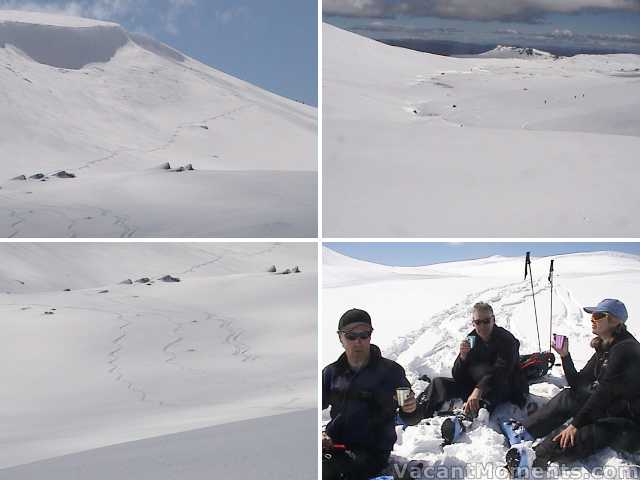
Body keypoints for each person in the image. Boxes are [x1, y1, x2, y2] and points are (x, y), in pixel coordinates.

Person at [507, 298, 640, 473]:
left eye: (598, 316)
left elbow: (604, 393)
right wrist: (565, 356)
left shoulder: (625, 350)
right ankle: (526, 431)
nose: (592, 319)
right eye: (592, 316)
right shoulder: (606, 347)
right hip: (612, 407)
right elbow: (579, 384)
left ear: (614, 321)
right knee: (571, 395)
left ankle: (535, 457)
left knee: (589, 429)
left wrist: (576, 424)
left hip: (630, 424)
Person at [322, 308, 417, 480]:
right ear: (340, 337)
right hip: (333, 444)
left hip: (371, 451)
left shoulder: (391, 372)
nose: (358, 342)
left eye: (364, 335)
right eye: (351, 336)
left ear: (370, 336)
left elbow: (412, 418)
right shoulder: (331, 373)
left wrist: (410, 408)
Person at [405, 302, 528, 425]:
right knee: (438, 383)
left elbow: (500, 372)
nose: (482, 326)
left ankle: (462, 422)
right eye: (478, 322)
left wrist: (478, 390)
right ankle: (415, 413)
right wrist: (462, 358)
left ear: (493, 320)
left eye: (486, 321)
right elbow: (458, 376)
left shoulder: (507, 340)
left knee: (491, 392)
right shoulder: (472, 339)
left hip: (505, 386)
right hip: (477, 386)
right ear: (473, 323)